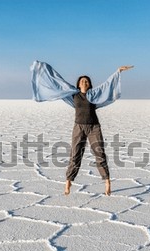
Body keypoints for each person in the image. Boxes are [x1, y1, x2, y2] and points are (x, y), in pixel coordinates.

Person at [30, 61, 133, 196]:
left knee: (99, 154)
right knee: (75, 155)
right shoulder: (73, 95)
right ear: (78, 84)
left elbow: (106, 85)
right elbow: (58, 83)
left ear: (89, 84)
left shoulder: (94, 95)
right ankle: (68, 182)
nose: (84, 82)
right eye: (82, 81)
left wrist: (117, 71)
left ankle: (107, 181)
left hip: (94, 127)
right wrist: (42, 69)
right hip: (78, 127)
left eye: (86, 81)